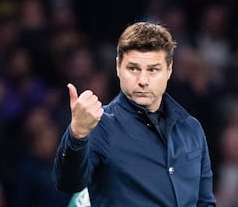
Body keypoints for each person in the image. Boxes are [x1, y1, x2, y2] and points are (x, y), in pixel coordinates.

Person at [52, 21, 217, 206]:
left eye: (153, 70)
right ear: (117, 67)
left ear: (169, 70)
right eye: (133, 69)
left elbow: (205, 202)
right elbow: (68, 183)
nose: (143, 81)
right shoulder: (100, 126)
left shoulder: (191, 128)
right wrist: (77, 135)